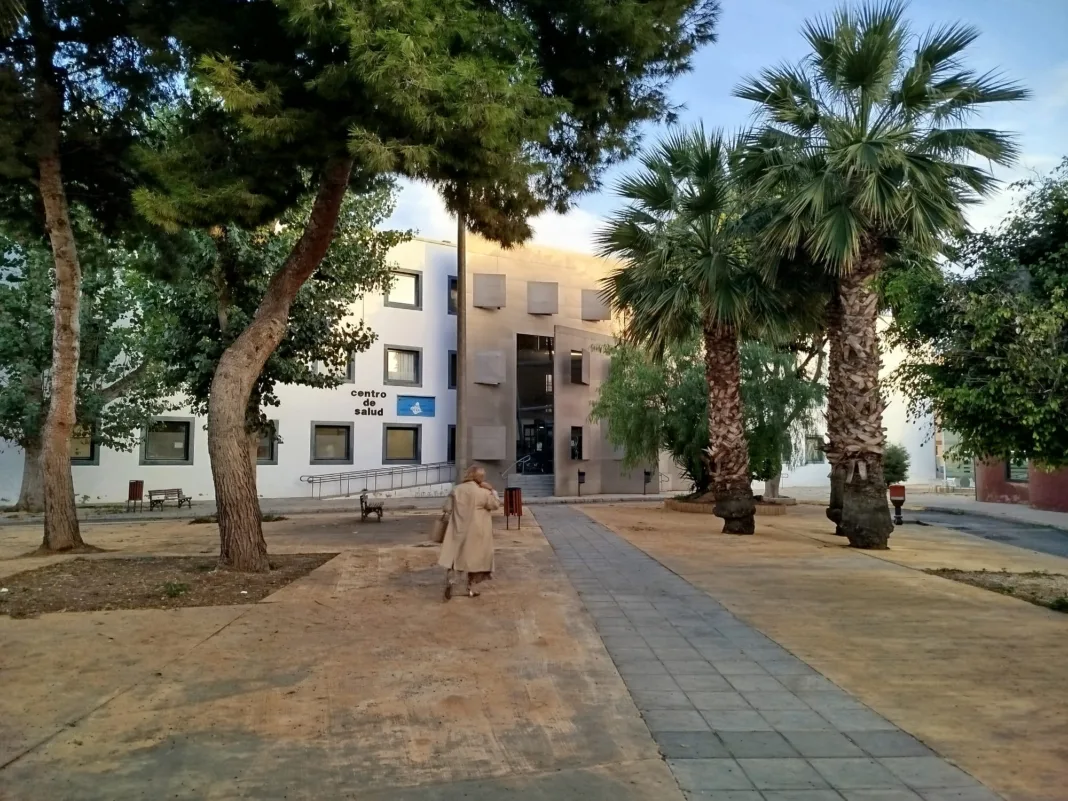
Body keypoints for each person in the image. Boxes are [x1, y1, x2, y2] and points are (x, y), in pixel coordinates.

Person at [439, 463, 501, 601]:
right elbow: (495, 505)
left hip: (458, 528)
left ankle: (451, 581)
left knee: (456, 557)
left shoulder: (456, 490)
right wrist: (492, 490)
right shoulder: (483, 492)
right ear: (480, 477)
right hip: (477, 531)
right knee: (475, 560)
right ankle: (471, 588)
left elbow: (447, 508)